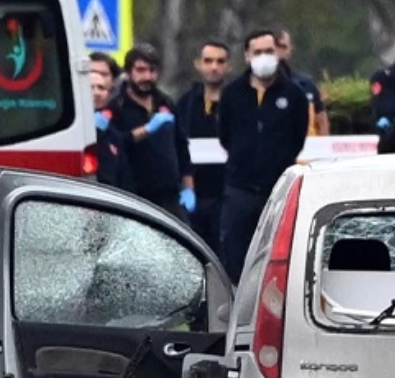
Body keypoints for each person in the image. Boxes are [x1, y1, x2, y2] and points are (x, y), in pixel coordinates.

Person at [217, 28, 310, 282]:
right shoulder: (232, 93)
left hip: (278, 189)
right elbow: (225, 135)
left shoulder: (294, 95)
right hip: (240, 189)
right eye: (258, 52)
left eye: (269, 51)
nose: (264, 57)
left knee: (280, 253)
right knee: (236, 252)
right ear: (247, 56)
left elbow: (297, 138)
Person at [102, 43, 195, 221]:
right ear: (129, 73)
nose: (147, 76)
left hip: (171, 198)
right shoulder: (116, 108)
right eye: (141, 70)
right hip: (136, 198)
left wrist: (188, 188)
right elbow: (116, 145)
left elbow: (182, 148)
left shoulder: (166, 103)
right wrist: (146, 129)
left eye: (152, 71)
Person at [176, 40, 232, 255]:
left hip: (228, 192)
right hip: (195, 191)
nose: (214, 67)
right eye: (208, 61)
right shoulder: (186, 103)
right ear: (198, 64)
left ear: (228, 66)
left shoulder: (238, 100)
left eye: (220, 61)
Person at [275, 27, 329, 136]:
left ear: (290, 50)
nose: (279, 52)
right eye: (275, 47)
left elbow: (322, 122)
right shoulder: (250, 86)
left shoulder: (306, 84)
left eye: (283, 47)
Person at [90, 68, 133, 192]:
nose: (96, 92)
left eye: (101, 88)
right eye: (91, 87)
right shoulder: (72, 126)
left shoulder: (113, 129)